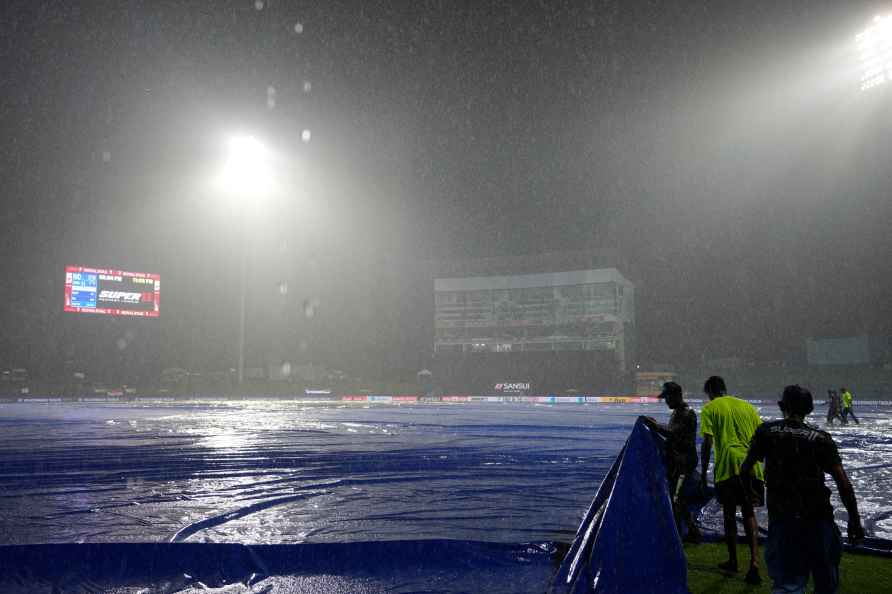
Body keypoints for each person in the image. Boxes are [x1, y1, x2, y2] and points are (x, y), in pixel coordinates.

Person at [740, 385, 865, 594]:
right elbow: (843, 483)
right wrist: (855, 519)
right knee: (826, 582)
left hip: (783, 521)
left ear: (781, 406)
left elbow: (745, 469)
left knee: (788, 585)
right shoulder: (820, 438)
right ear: (809, 409)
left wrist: (751, 493)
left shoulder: (766, 432)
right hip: (818, 519)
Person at [699, 375, 765, 585]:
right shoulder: (748, 407)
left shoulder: (710, 408)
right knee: (748, 512)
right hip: (751, 467)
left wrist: (702, 473)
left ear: (710, 391)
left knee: (729, 514)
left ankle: (734, 560)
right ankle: (754, 562)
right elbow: (760, 438)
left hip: (728, 468)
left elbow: (707, 442)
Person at [642, 381, 702, 543]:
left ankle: (676, 538)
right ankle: (691, 531)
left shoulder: (686, 413)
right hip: (677, 462)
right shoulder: (677, 412)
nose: (666, 401)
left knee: (676, 500)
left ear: (676, 395)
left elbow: (672, 434)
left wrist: (653, 425)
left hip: (683, 463)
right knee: (678, 500)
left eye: (667, 397)